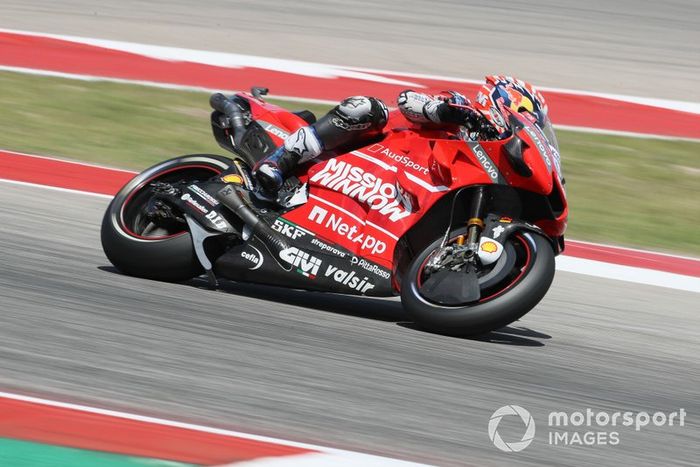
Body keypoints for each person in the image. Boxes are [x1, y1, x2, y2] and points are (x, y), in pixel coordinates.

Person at [253, 75, 547, 195]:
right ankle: (280, 161)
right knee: (366, 108)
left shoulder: (491, 154)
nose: (526, 122)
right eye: (526, 114)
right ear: (504, 100)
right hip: (370, 148)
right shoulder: (462, 107)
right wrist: (453, 113)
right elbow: (408, 100)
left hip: (398, 185)